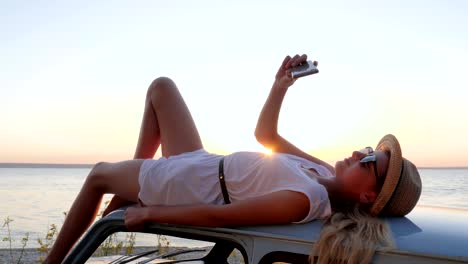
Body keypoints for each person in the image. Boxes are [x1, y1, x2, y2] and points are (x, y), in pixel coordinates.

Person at [44, 54, 422, 263]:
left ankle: (56, 261)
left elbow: (221, 216)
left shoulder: (306, 199)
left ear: (368, 197)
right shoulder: (320, 170)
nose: (360, 151)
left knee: (97, 175)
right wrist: (280, 86)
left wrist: (152, 213)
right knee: (161, 88)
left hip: (192, 184)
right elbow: (266, 137)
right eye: (369, 149)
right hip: (203, 163)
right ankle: (132, 185)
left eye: (369, 160)